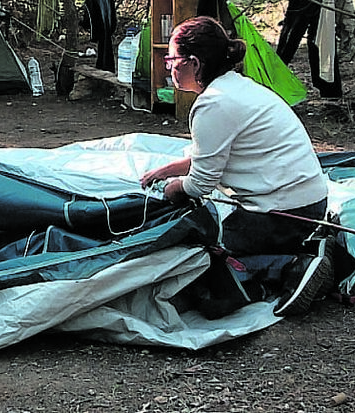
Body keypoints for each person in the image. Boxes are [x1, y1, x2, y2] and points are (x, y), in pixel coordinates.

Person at [140, 16, 333, 316]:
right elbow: (211, 155)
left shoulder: (211, 106)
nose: (168, 66)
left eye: (172, 58)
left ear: (194, 63)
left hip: (281, 215)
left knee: (190, 238)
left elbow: (199, 186)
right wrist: (167, 170)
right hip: (311, 204)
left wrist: (171, 189)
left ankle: (287, 267)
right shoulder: (237, 89)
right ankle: (300, 249)